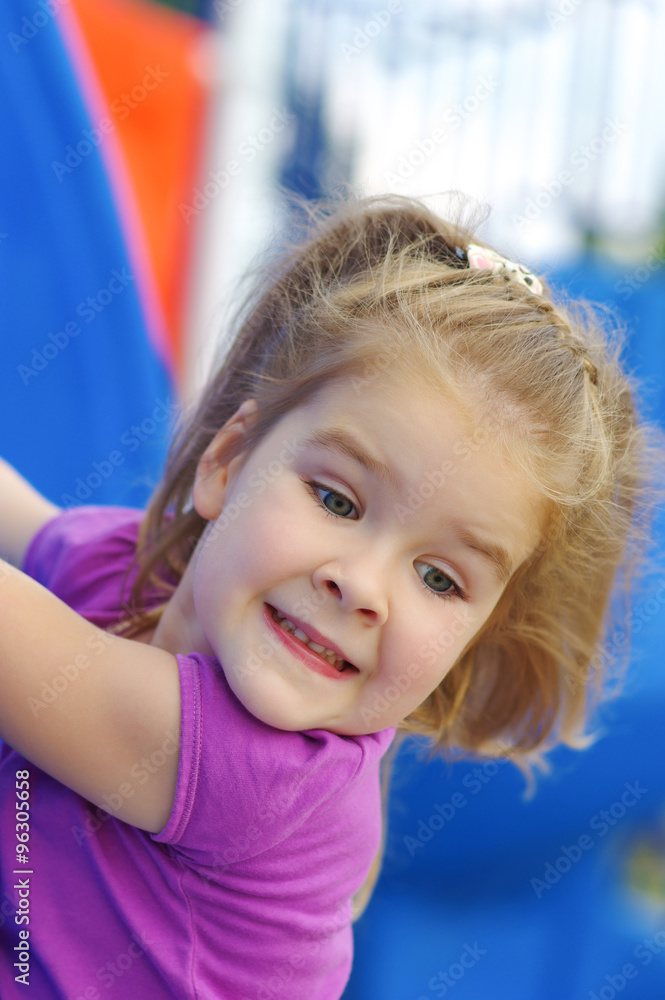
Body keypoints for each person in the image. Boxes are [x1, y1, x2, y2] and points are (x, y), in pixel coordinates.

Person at [0, 194, 658, 999]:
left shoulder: (263, 775)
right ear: (228, 461)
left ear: (473, 635)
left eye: (439, 578)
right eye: (338, 502)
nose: (362, 585)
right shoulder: (130, 575)